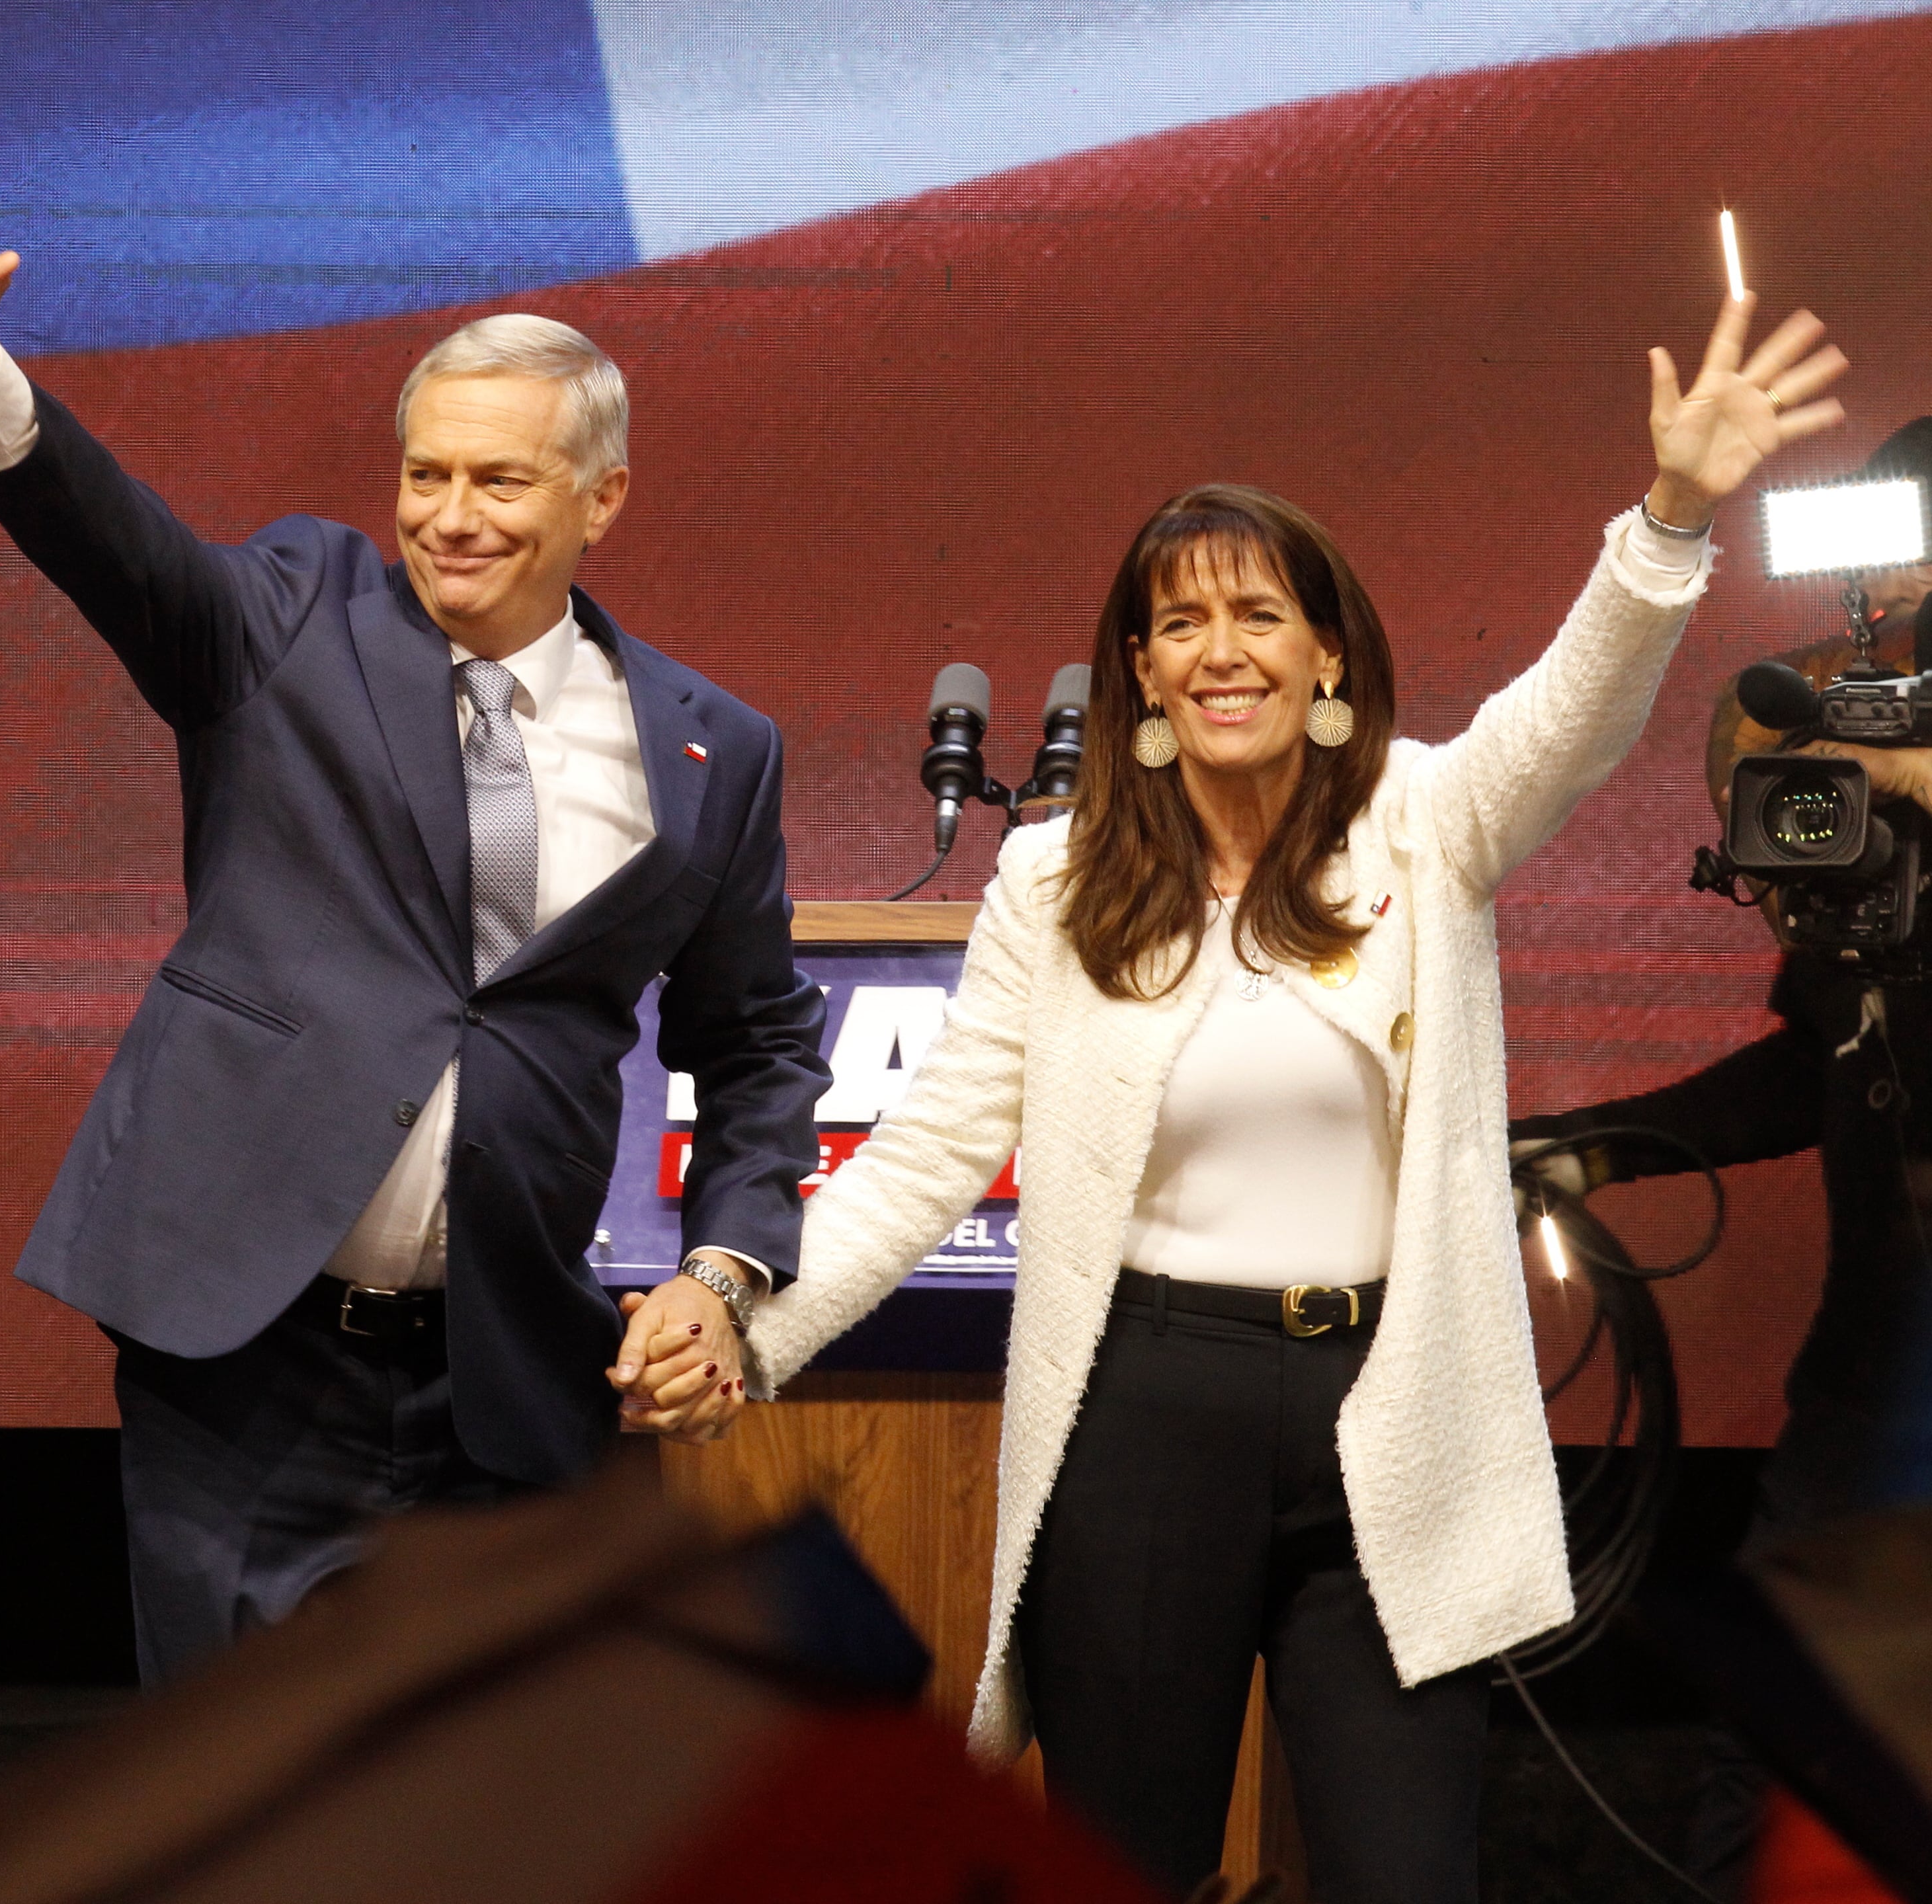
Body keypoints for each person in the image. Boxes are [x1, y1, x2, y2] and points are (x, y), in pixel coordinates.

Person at [736, 292, 1847, 1899]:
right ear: (1139, 668)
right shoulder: (1052, 880)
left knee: (1406, 1877)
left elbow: (1580, 711)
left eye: (1257, 615)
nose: (1220, 652)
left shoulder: (1427, 821)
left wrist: (1671, 514)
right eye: (1179, 625)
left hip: (1385, 1416)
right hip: (1141, 1416)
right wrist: (754, 1333)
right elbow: (928, 1154)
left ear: (1328, 649)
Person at [0, 115, 821, 1682]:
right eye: (425, 473)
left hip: (507, 1381)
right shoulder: (293, 621)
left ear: (602, 499)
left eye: (500, 479)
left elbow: (756, 1043)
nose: (450, 514)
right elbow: (113, 543)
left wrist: (721, 1271)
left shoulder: (712, 746)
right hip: (250, 1369)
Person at [1509, 415, 1932, 1901]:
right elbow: (1812, 1070)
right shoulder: (1854, 773)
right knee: (1784, 1735)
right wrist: (1593, 1150)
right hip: (1873, 1371)